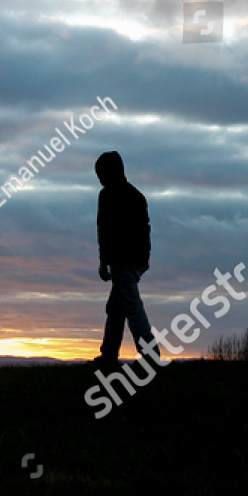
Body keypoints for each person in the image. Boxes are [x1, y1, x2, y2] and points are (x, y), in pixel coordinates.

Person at [94, 150, 157, 364]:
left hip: (124, 261)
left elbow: (105, 231)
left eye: (101, 174)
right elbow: (143, 231)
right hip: (134, 259)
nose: (100, 179)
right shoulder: (135, 195)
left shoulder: (109, 195)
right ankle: (109, 354)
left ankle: (149, 355)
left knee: (131, 307)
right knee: (116, 308)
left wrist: (105, 262)